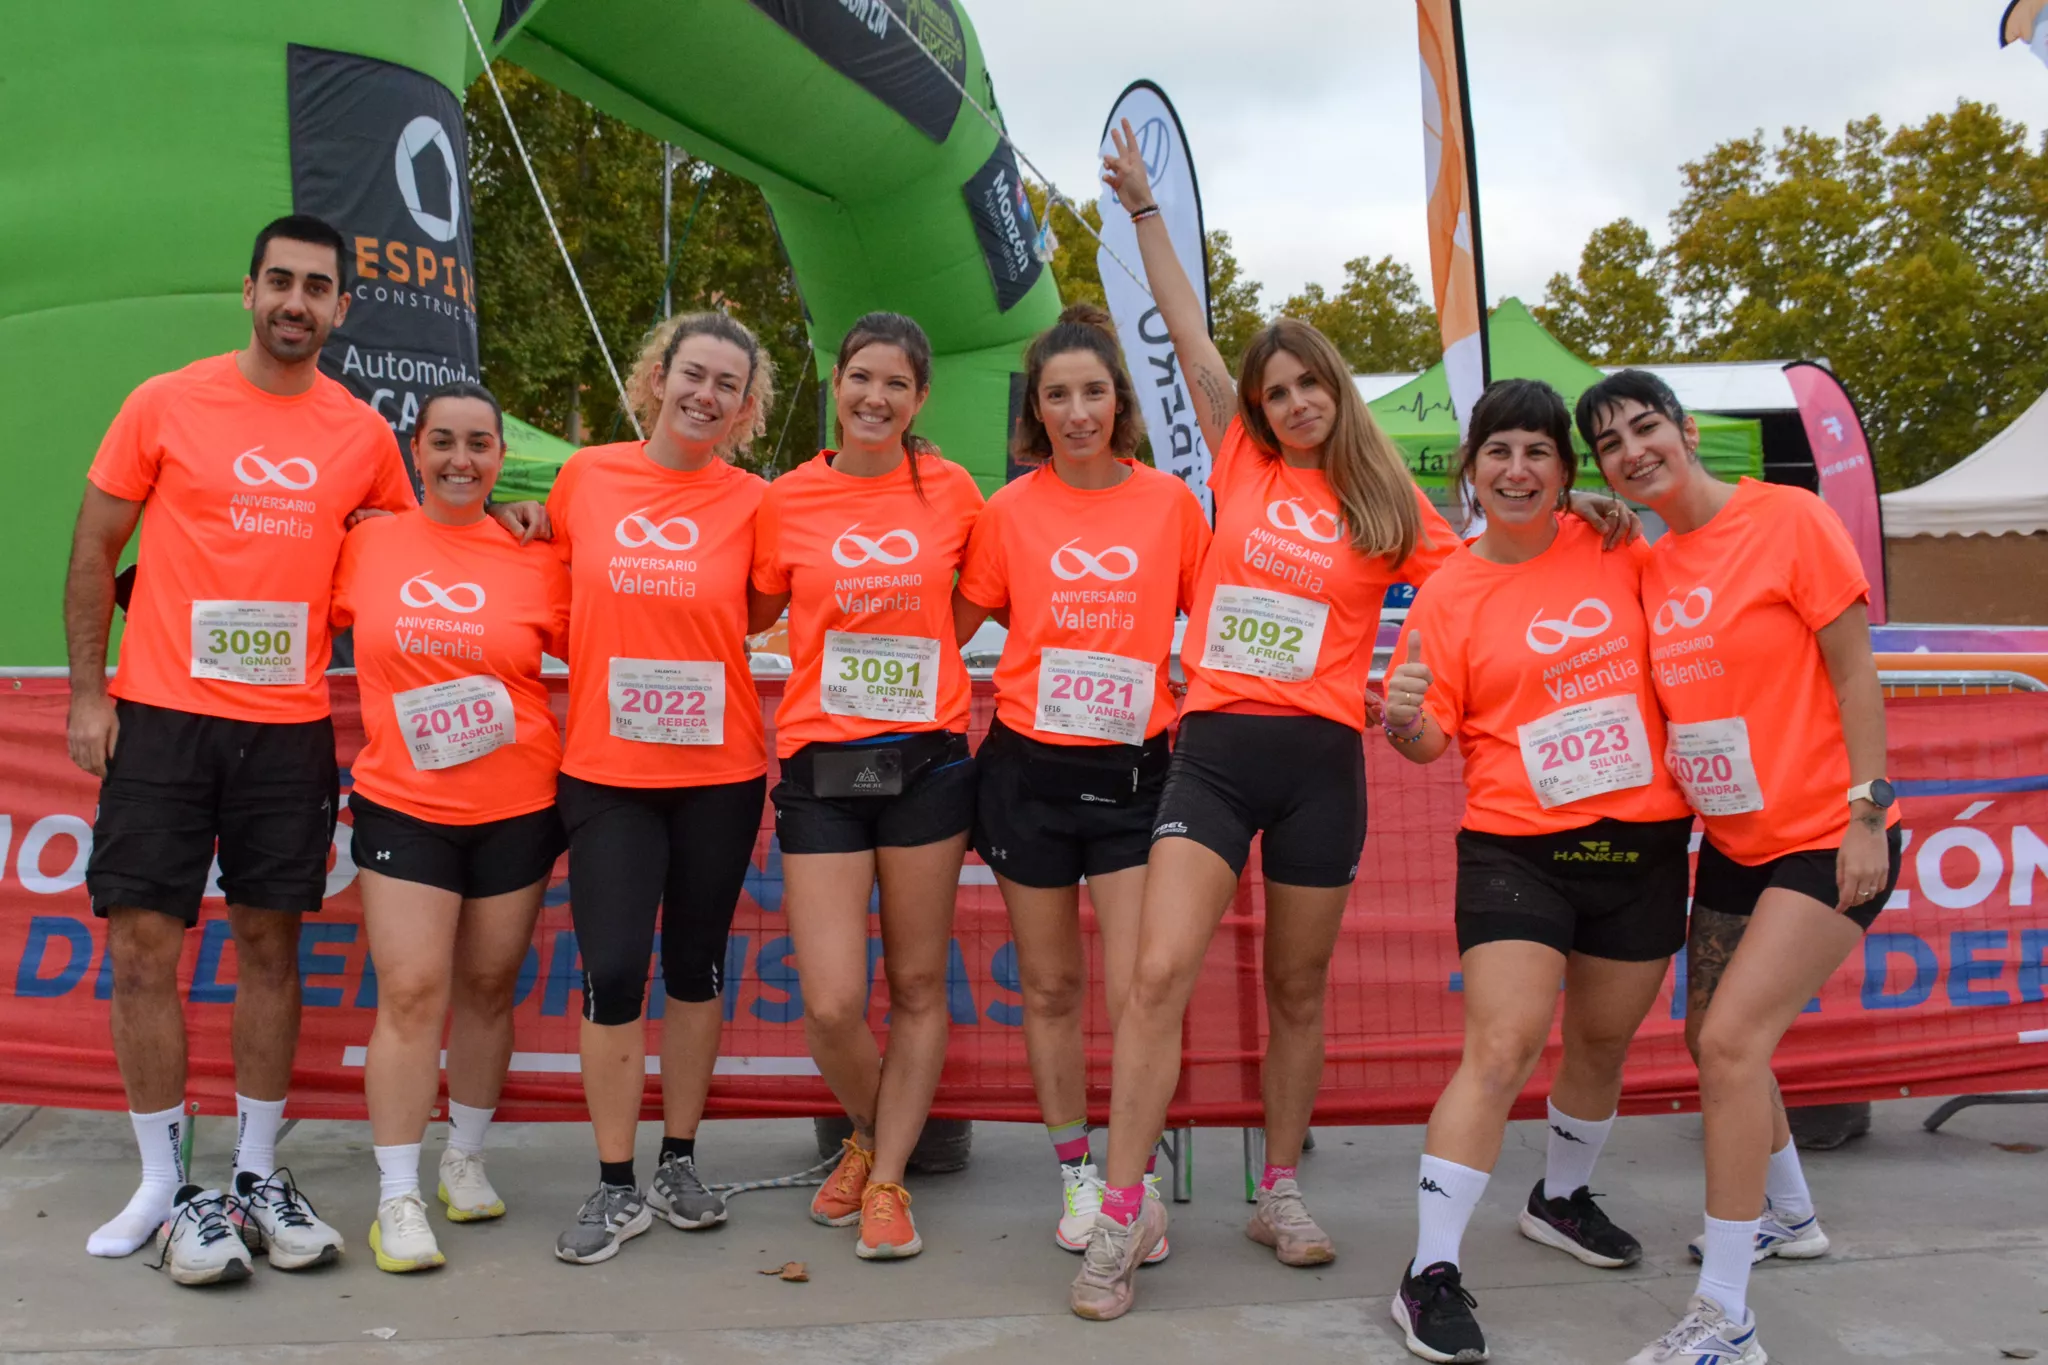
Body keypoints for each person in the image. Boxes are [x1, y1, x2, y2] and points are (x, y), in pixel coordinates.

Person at [1073, 124, 1639, 1323]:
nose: (1288, 404)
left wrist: (1591, 511)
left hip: (1322, 767)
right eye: (1272, 390)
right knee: (1156, 973)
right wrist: (1144, 218)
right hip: (1215, 753)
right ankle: (1121, 1214)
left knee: (1295, 987)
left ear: (1335, 390)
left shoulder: (1386, 510)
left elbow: (1501, 547)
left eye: (1306, 385)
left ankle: (1278, 1189)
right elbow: (1178, 329)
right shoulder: (1236, 457)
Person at [64, 215, 413, 1285]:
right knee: (141, 952)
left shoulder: (363, 435)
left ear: (342, 307)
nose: (296, 302)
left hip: (286, 730)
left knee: (270, 946)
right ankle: (165, 1186)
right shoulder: (164, 402)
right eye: (280, 282)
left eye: (318, 287)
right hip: (161, 718)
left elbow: (412, 558)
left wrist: (519, 532)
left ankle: (257, 1173)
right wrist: (88, 694)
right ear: (249, 290)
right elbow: (94, 547)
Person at [1578, 370, 1900, 1365]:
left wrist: (1865, 816)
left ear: (1682, 430)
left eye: (1645, 428)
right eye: (1610, 445)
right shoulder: (1648, 562)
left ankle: (1725, 1316)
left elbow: (1854, 672)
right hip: (1733, 843)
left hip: (1826, 835)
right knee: (1707, 1040)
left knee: (1727, 1046)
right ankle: (1788, 1215)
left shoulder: (1788, 521)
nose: (1633, 452)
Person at [1376, 379, 1691, 1363]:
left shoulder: (1616, 545)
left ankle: (1557, 1199)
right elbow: (1429, 739)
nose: (1516, 471)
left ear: (1565, 470)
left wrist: (1619, 508)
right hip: (1515, 842)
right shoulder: (1448, 590)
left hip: (1639, 840)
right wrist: (1402, 721)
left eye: (1537, 453)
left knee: (1599, 1043)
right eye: (1497, 452)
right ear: (1469, 469)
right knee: (1502, 1044)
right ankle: (1428, 1272)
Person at [953, 304, 1210, 1261]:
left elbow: (1223, 619)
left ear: (1120, 401)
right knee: (1054, 986)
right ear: (1036, 410)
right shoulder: (1009, 510)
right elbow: (944, 621)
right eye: (1057, 395)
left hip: (1138, 776)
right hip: (1027, 772)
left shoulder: (1170, 505)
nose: (1076, 411)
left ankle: (1132, 1181)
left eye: (1092, 392)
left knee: (1148, 988)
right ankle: (1076, 1169)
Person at [749, 312, 985, 1261]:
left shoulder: (958, 493)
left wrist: (919, 660)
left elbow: (969, 609)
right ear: (835, 383)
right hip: (822, 766)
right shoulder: (788, 499)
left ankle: (886, 1177)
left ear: (920, 399)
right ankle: (871, 1129)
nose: (875, 398)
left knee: (919, 980)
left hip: (926, 760)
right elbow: (758, 605)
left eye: (896, 383)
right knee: (834, 1002)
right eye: (861, 378)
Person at [542, 313, 774, 1265]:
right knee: (612, 974)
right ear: (656, 378)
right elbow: (548, 584)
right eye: (693, 374)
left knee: (697, 970)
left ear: (746, 406)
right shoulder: (584, 477)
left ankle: (679, 1158)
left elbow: (761, 611)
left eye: (728, 383)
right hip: (607, 772)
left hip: (720, 771)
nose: (705, 394)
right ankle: (613, 1183)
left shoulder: (758, 502)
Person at [331, 382, 570, 1273]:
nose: (462, 460)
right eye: (444, 442)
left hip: (517, 802)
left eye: (480, 444)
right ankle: (396, 1193)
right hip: (405, 801)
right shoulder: (368, 543)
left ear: (502, 457)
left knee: (489, 984)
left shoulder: (537, 556)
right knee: (410, 990)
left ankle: (463, 1157)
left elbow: (612, 633)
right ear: (415, 449)